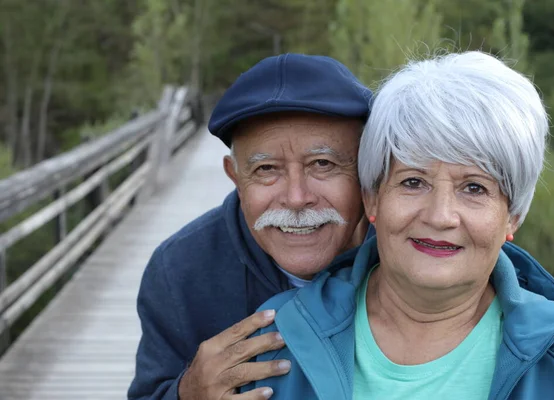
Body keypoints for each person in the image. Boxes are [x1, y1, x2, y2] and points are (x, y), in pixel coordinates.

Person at [243, 51, 554, 399]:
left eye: (474, 188)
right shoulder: (274, 340)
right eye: (413, 182)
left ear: (513, 216)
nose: (440, 216)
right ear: (373, 199)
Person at [127, 53, 374, 400]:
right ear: (235, 177)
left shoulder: (407, 252)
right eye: (266, 169)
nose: (296, 197)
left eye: (323, 163)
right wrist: (186, 393)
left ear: (366, 169)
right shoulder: (180, 271)